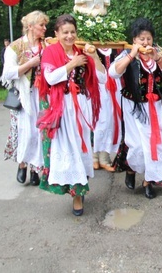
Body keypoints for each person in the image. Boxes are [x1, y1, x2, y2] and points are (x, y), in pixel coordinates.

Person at [36, 14, 105, 216]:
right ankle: (75, 192)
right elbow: (49, 78)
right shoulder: (50, 52)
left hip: (80, 107)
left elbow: (102, 78)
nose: (69, 36)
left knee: (80, 149)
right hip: (61, 107)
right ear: (56, 34)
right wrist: (71, 64)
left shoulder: (82, 52)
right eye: (65, 32)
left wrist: (93, 57)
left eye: (72, 32)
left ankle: (78, 191)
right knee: (68, 151)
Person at [109, 18, 162, 199]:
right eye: (141, 39)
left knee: (156, 144)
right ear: (134, 40)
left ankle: (149, 181)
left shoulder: (158, 53)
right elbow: (114, 72)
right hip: (135, 108)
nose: (146, 42)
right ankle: (132, 170)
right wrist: (131, 55)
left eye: (148, 38)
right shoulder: (126, 54)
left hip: (156, 107)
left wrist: (158, 58)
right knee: (138, 146)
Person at [1, 11, 48, 186]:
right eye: (41, 25)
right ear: (30, 26)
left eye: (45, 25)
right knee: (25, 131)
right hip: (24, 94)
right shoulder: (15, 46)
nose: (45, 28)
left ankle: (36, 168)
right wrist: (30, 64)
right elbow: (8, 73)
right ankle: (22, 164)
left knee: (39, 132)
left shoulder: (47, 45)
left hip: (42, 94)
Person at [92, 47, 122, 172]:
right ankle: (93, 157)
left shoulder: (117, 49)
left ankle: (104, 157)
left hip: (114, 88)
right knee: (97, 120)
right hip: (96, 86)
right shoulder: (91, 48)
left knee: (110, 120)